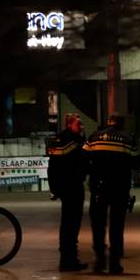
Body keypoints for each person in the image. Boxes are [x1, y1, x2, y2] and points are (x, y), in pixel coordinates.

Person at [83, 114, 140, 274]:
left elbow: (84, 158)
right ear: (121, 124)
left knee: (98, 224)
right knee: (117, 225)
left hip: (98, 188)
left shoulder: (94, 136)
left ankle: (100, 260)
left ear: (108, 122)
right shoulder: (128, 138)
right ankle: (115, 263)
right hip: (119, 187)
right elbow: (136, 162)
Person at [47, 113, 88, 271]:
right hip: (73, 187)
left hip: (66, 188)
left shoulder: (60, 140)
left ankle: (68, 258)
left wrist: (54, 188)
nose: (81, 127)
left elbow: (52, 167)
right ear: (70, 125)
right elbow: (81, 162)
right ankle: (69, 260)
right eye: (79, 124)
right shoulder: (74, 141)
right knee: (72, 224)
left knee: (67, 224)